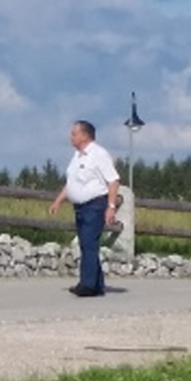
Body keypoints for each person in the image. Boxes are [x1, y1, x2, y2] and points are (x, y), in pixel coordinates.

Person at [47, 120, 122, 297]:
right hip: (80, 207)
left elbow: (113, 181)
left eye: (74, 133)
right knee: (86, 244)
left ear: (85, 135)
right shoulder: (77, 157)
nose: (70, 137)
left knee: (89, 242)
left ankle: (87, 285)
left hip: (95, 205)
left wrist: (111, 207)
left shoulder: (99, 154)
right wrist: (58, 201)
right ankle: (96, 284)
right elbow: (71, 184)